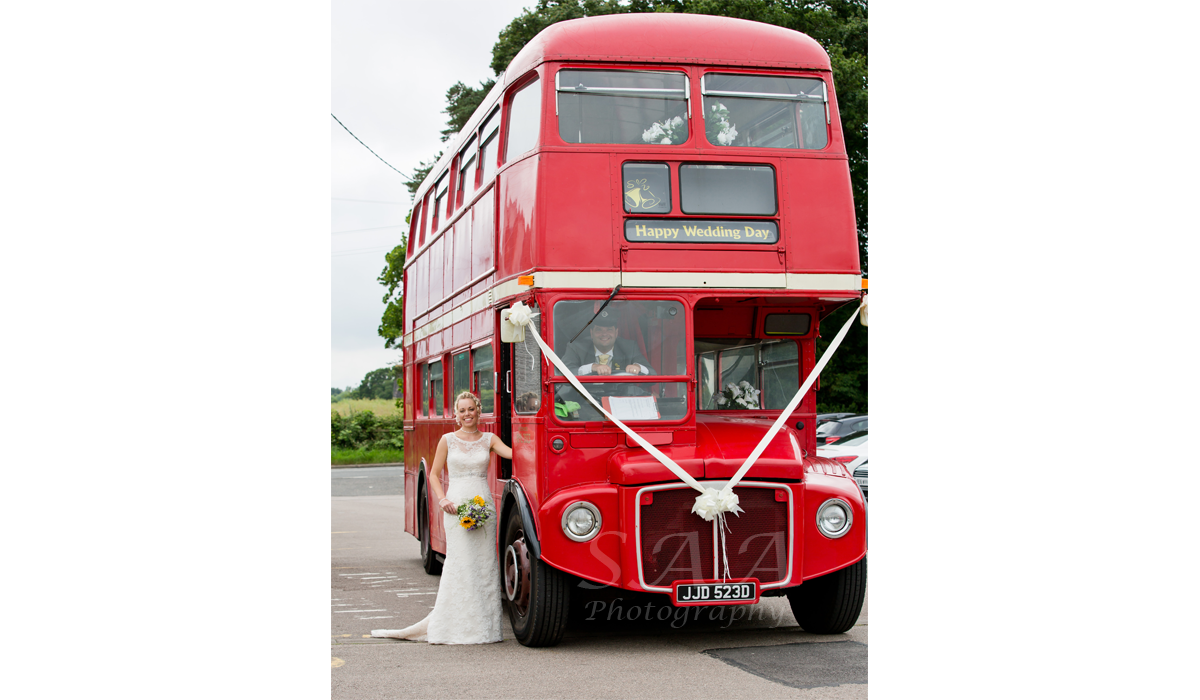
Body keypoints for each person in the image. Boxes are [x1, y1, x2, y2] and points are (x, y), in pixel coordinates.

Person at [371, 391, 513, 644]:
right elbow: (434, 474)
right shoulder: (447, 440)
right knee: (460, 563)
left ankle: (485, 628)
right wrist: (443, 499)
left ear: (479, 411)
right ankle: (455, 626)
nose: (467, 414)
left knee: (483, 564)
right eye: (463, 410)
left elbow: (513, 453)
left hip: (484, 507)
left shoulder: (490, 439)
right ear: (456, 415)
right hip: (455, 506)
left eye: (472, 409)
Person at [560, 314, 655, 377]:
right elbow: (561, 374)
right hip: (585, 400)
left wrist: (638, 367)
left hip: (619, 399)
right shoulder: (576, 347)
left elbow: (652, 374)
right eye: (599, 330)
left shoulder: (629, 347)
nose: (604, 334)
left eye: (609, 329)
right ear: (591, 333)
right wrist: (592, 367)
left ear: (616, 333)